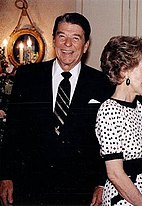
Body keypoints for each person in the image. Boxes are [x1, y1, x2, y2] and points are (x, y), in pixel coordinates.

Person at [0, 12, 114, 205]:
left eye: (75, 38)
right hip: (30, 188)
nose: (67, 44)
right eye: (62, 36)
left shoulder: (102, 84)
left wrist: (102, 184)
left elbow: (108, 141)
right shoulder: (28, 77)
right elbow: (13, 131)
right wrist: (5, 176)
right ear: (54, 40)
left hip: (80, 191)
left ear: (86, 46)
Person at [95, 36, 142, 206]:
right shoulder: (109, 111)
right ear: (125, 70)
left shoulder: (137, 107)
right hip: (124, 201)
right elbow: (115, 173)